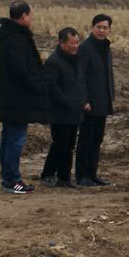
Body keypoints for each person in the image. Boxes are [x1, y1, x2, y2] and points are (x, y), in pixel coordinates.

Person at [0, 0, 47, 193]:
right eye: (30, 14)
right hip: (17, 99)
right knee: (15, 139)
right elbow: (20, 69)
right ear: (23, 16)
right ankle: (12, 181)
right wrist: (36, 87)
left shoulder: (7, 35)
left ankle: (8, 178)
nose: (32, 17)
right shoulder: (17, 38)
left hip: (9, 98)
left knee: (8, 137)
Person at [40, 27, 84, 188]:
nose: (76, 46)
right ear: (62, 43)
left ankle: (64, 177)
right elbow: (51, 87)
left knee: (69, 145)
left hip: (74, 111)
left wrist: (81, 101)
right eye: (72, 43)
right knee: (60, 144)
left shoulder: (76, 60)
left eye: (77, 43)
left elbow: (80, 83)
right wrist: (66, 102)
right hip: (59, 112)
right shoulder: (53, 62)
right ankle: (48, 174)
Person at [76, 14, 115, 186]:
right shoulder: (85, 48)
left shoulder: (106, 47)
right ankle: (82, 176)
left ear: (109, 30)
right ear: (92, 28)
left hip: (102, 102)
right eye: (99, 27)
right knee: (86, 140)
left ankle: (92, 174)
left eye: (105, 28)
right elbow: (80, 76)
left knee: (97, 140)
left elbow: (108, 75)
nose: (102, 30)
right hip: (89, 104)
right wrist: (84, 100)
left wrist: (111, 97)